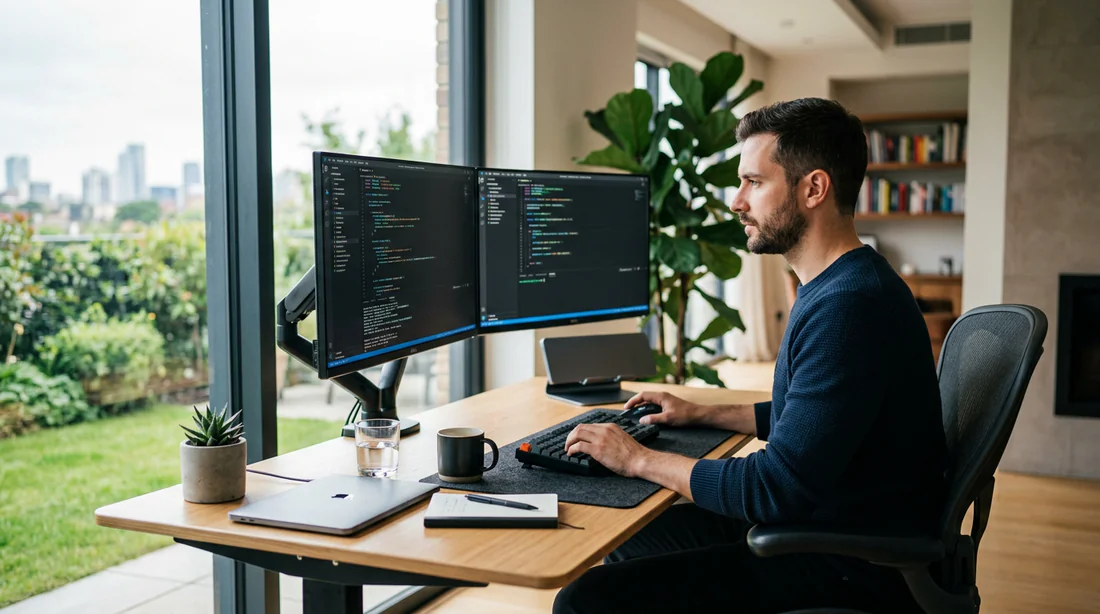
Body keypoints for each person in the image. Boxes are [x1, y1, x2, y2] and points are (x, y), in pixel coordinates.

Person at [553, 98, 947, 614]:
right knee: (633, 530)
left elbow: (774, 489)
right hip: (829, 519)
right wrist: (702, 412)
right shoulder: (843, 285)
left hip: (847, 561)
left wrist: (638, 458)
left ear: (813, 189)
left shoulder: (849, 307)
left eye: (753, 183)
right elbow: (815, 420)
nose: (737, 201)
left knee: (584, 602)